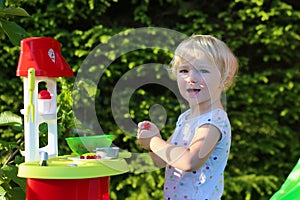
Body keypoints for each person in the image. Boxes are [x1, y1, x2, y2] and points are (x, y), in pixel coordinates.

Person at [137, 35, 239, 200]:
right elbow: (162, 160)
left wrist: (153, 142)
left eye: (203, 71)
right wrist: (154, 140)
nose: (191, 78)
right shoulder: (185, 118)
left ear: (223, 78)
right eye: (184, 70)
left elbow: (189, 161)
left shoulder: (213, 120)